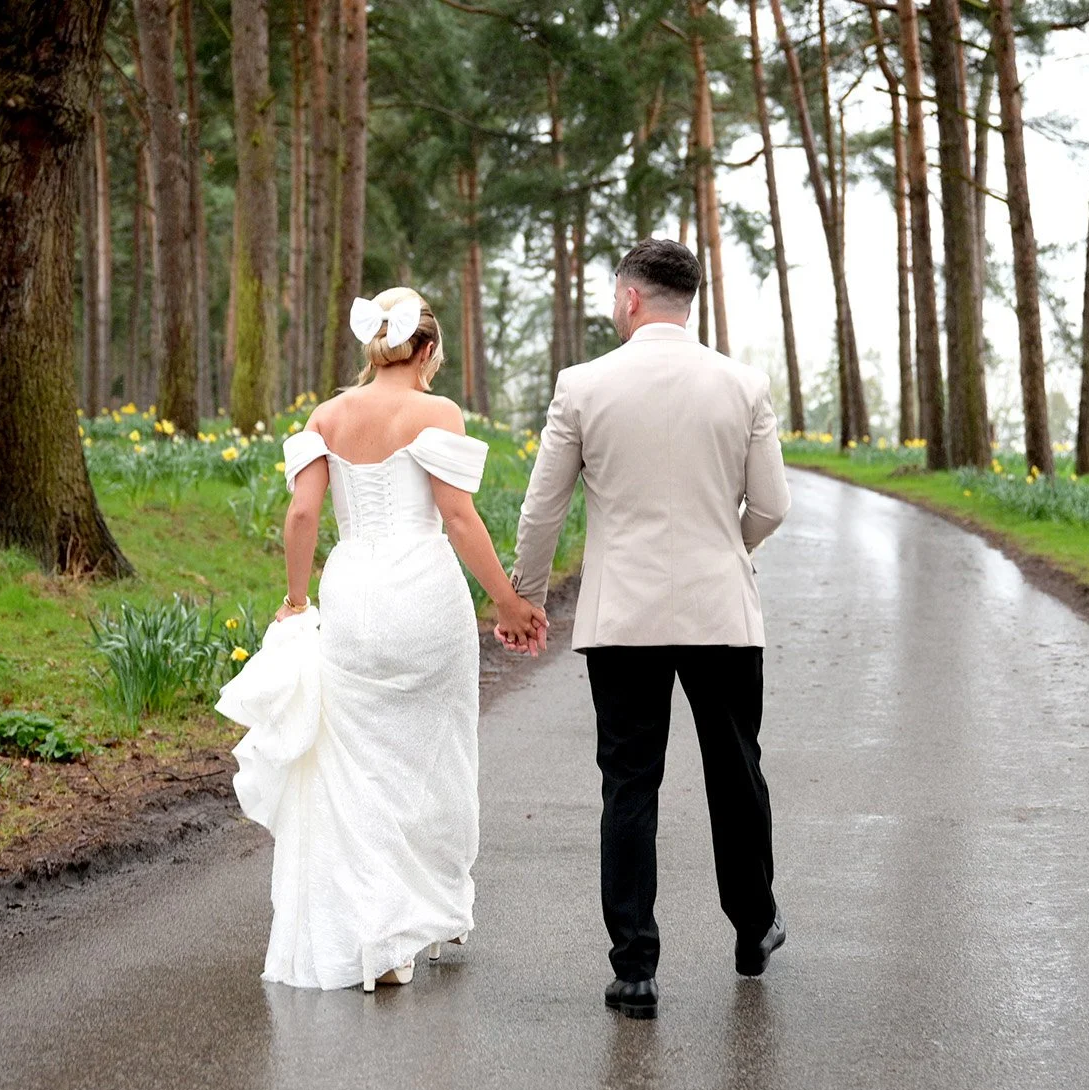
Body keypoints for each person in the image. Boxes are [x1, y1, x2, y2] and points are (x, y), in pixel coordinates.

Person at [223, 286, 547, 993]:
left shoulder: (328, 415)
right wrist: (508, 601)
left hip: (352, 592)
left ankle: (384, 940)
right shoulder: (436, 411)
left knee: (361, 761)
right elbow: (457, 519)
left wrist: (296, 598)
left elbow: (304, 511)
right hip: (423, 595)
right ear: (425, 349)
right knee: (437, 752)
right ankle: (426, 913)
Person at [503, 239, 792, 1020]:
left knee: (630, 784)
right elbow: (770, 506)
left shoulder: (583, 385)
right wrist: (726, 551)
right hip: (721, 612)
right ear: (684, 300)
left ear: (629, 299)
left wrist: (524, 596)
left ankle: (635, 970)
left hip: (622, 616)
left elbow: (543, 510)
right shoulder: (743, 384)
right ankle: (753, 928)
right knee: (736, 772)